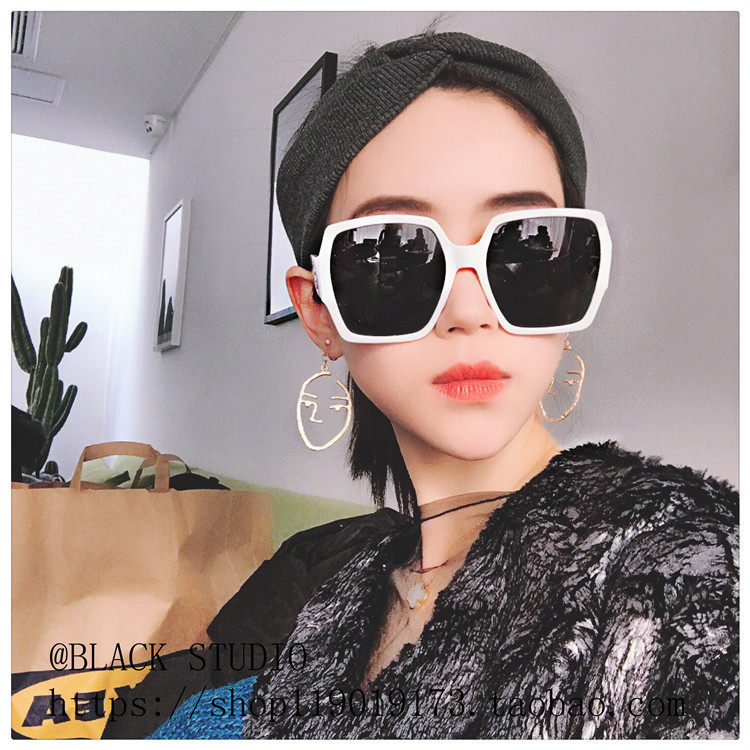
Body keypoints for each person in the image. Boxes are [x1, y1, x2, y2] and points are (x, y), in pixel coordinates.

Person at [147, 29, 738, 740]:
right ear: (319, 312)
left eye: (527, 248)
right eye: (390, 256)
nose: (468, 309)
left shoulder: (690, 568)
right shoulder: (336, 604)